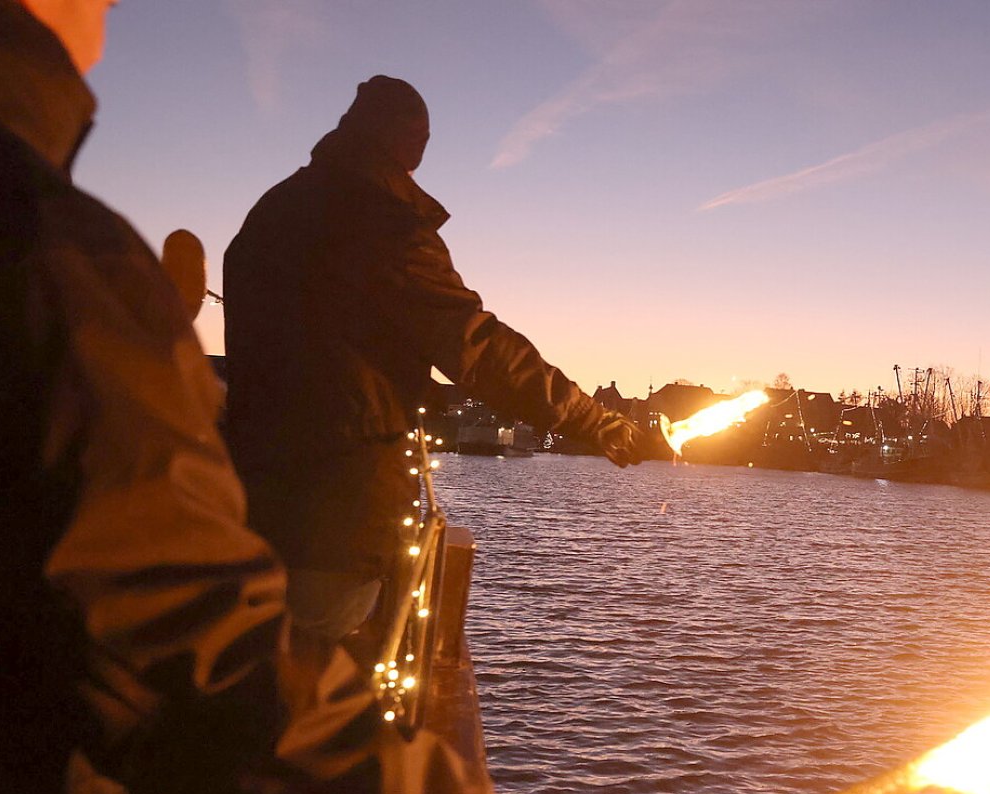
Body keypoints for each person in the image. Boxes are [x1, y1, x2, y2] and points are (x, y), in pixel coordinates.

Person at [0, 4, 620, 794]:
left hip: (259, 501)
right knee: (303, 704)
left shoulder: (266, 218)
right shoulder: (46, 251)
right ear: (405, 150)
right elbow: (197, 646)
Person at [223, 75, 667, 643]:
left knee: (259, 664)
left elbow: (319, 341)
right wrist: (596, 422)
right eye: (422, 139)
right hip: (335, 501)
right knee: (317, 676)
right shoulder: (384, 225)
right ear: (407, 142)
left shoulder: (276, 209)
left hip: (254, 488)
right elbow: (476, 346)